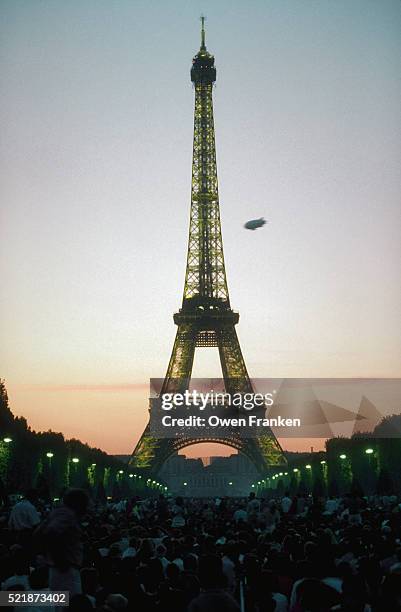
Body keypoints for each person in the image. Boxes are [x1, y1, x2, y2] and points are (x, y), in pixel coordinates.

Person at [34, 488, 89, 597]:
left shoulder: (58, 512)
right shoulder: (67, 514)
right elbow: (51, 533)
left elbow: (39, 533)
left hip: (61, 569)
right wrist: (61, 561)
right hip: (66, 570)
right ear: (78, 503)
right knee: (71, 604)